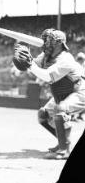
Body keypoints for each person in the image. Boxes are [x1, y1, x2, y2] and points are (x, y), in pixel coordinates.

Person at [13, 29, 85, 160]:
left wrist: (30, 64)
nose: (44, 43)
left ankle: (65, 150)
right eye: (44, 39)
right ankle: (62, 142)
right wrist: (24, 59)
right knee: (43, 115)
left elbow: (47, 76)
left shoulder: (65, 59)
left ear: (59, 43)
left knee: (60, 109)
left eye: (48, 40)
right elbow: (32, 66)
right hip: (62, 92)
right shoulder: (46, 56)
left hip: (79, 90)